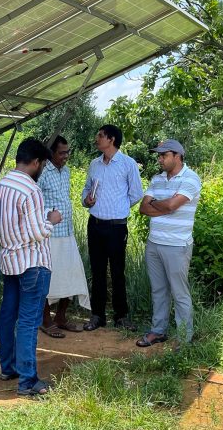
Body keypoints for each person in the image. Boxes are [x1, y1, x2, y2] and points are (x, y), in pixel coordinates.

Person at [0, 138, 61, 397]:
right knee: (29, 322)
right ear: (36, 162)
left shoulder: (3, 184)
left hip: (10, 261)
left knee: (8, 316)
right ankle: (28, 381)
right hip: (33, 262)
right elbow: (37, 232)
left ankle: (8, 367)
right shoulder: (31, 190)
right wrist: (51, 220)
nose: (42, 167)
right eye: (42, 163)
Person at [136, 139, 202, 347]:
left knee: (179, 293)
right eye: (159, 155)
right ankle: (158, 331)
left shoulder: (190, 179)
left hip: (177, 245)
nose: (159, 159)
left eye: (164, 155)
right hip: (154, 243)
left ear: (177, 156)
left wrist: (160, 204)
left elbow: (173, 205)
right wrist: (163, 206)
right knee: (158, 290)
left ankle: (184, 339)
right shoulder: (157, 179)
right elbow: (143, 208)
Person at [80, 124, 144, 331]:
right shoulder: (94, 164)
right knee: (97, 271)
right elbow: (87, 189)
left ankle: (121, 316)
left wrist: (119, 208)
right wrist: (86, 200)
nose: (96, 139)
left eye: (100, 135)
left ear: (112, 139)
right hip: (95, 224)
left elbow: (136, 194)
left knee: (118, 271)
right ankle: (97, 315)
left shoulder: (128, 163)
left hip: (117, 227)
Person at [38, 135, 89, 336]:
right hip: (49, 235)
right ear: (50, 153)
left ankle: (61, 316)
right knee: (48, 278)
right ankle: (46, 319)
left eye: (68, 152)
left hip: (67, 232)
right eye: (62, 152)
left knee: (70, 275)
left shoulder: (66, 171)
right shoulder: (41, 172)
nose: (66, 156)